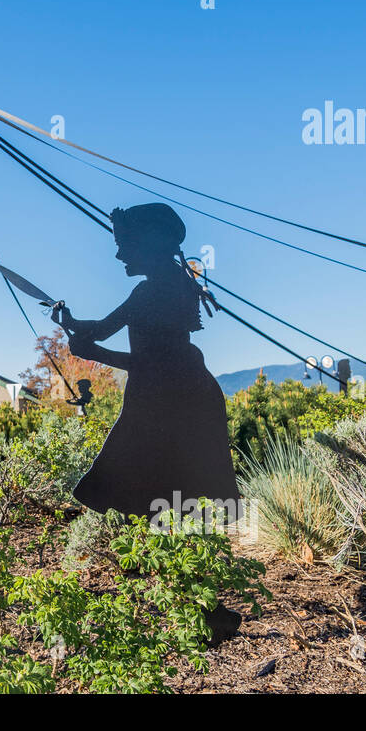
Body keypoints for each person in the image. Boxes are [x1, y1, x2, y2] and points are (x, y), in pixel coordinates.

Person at [54, 203, 237, 522]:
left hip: (166, 398)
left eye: (124, 246)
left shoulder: (149, 292)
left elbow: (141, 358)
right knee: (182, 489)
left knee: (140, 478)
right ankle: (179, 556)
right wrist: (72, 322)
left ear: (147, 246)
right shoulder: (178, 283)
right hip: (186, 392)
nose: (119, 256)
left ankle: (157, 556)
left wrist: (91, 350)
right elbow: (103, 330)